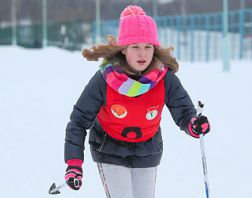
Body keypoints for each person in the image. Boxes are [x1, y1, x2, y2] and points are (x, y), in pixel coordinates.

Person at [64, 5, 210, 198]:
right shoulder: (105, 79)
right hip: (109, 147)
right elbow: (79, 121)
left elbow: (184, 112)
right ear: (124, 49)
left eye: (148, 47)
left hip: (147, 149)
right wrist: (74, 164)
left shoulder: (164, 78)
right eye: (136, 47)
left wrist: (194, 125)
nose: (143, 54)